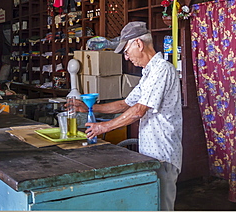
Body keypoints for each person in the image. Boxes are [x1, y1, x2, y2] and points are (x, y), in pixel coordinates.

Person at [74, 21, 183, 211]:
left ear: (139, 44)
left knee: (163, 207)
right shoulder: (148, 73)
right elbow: (126, 104)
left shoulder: (162, 70)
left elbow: (139, 110)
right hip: (149, 154)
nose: (126, 57)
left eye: (126, 51)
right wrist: (90, 108)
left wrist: (103, 127)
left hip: (163, 155)